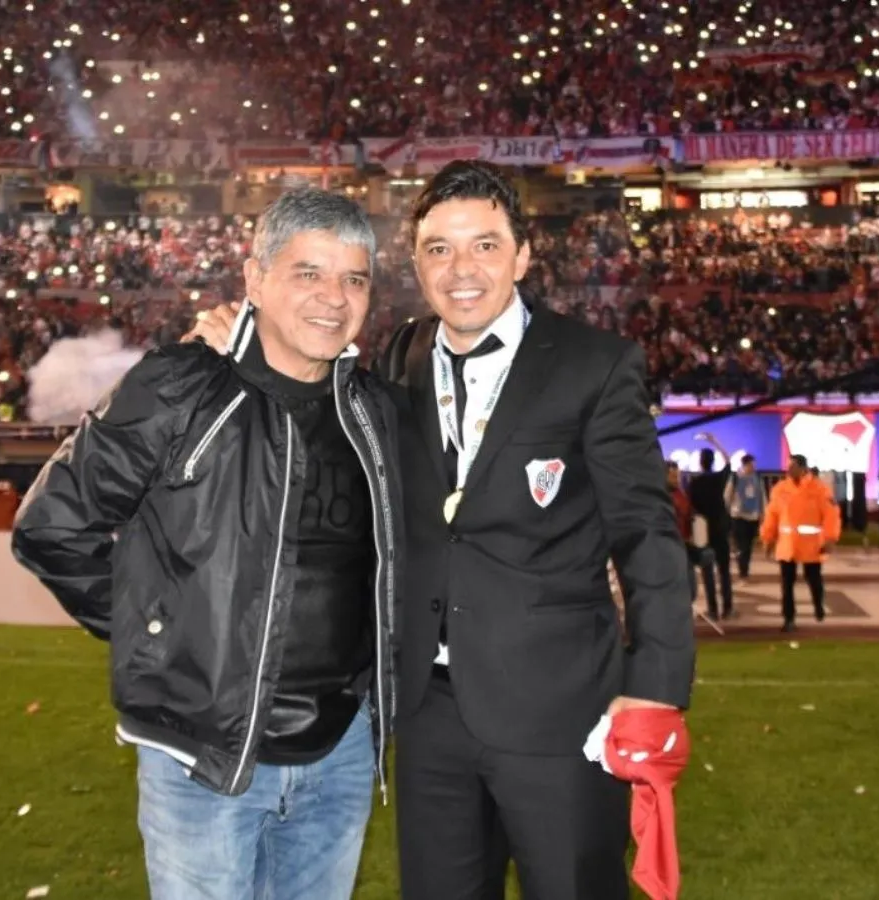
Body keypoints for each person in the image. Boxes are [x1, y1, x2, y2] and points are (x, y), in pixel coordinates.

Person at [187, 161, 696, 900]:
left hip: (559, 712)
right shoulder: (398, 357)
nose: (462, 269)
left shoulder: (595, 364)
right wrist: (240, 348)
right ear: (417, 262)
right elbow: (308, 406)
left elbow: (646, 533)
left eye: (485, 245)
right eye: (438, 249)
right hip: (426, 713)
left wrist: (656, 686)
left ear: (522, 255)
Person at [13, 190, 405, 900]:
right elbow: (51, 527)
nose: (333, 297)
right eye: (307, 273)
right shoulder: (180, 386)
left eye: (354, 278)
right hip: (201, 757)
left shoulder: (373, 411)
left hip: (340, 756)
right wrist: (162, 637)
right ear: (254, 279)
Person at [761, 454, 842, 632]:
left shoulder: (820, 489)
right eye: (788, 466)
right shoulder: (780, 489)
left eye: (793, 466)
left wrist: (830, 538)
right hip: (787, 545)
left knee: (813, 579)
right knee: (786, 583)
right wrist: (768, 538)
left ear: (803, 468)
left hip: (811, 545)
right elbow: (772, 516)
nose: (789, 470)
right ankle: (789, 618)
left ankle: (818, 605)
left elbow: (831, 515)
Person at [687, 432, 734, 619]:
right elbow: (729, 462)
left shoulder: (694, 483)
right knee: (724, 572)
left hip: (703, 532)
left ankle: (713, 609)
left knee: (708, 573)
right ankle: (728, 608)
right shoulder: (717, 480)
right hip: (720, 530)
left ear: (700, 462)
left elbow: (692, 509)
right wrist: (715, 441)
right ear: (713, 461)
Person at [668, 459, 717, 611]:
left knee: (691, 588)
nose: (676, 480)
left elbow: (688, 512)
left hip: (685, 546)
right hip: (670, 548)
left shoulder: (680, 493)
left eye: (677, 476)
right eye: (673, 476)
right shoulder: (661, 497)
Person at [727, 453, 765, 583]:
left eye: (754, 465)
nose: (753, 467)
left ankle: (745, 570)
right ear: (744, 465)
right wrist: (728, 512)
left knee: (748, 547)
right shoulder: (736, 477)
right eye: (750, 465)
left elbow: (761, 496)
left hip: (753, 517)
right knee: (742, 546)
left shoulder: (756, 478)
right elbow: (727, 496)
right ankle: (743, 573)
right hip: (739, 517)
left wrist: (762, 513)